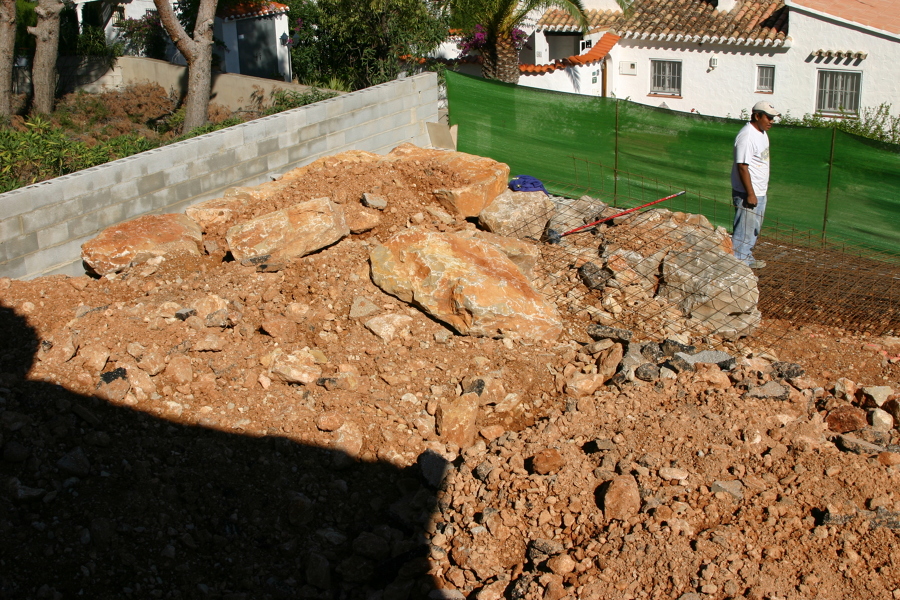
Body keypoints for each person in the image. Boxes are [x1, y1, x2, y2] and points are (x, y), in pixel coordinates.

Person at [731, 100, 780, 269]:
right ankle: (738, 263)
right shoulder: (747, 136)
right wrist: (750, 194)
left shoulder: (762, 133)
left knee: (753, 229)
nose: (771, 121)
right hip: (747, 192)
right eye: (768, 117)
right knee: (744, 229)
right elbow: (742, 167)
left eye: (773, 118)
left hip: (759, 190)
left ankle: (746, 257)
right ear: (757, 116)